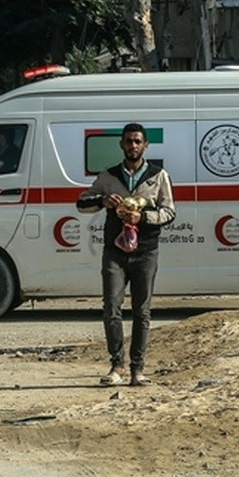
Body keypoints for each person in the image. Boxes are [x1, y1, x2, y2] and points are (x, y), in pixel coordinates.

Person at [75, 123, 176, 387]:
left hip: (146, 250)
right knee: (111, 306)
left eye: (137, 141)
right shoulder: (108, 176)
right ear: (121, 144)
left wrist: (141, 218)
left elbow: (169, 212)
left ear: (146, 146)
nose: (133, 146)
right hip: (115, 251)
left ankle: (137, 369)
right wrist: (103, 202)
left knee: (142, 311)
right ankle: (116, 365)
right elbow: (81, 203)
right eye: (128, 141)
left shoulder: (158, 176)